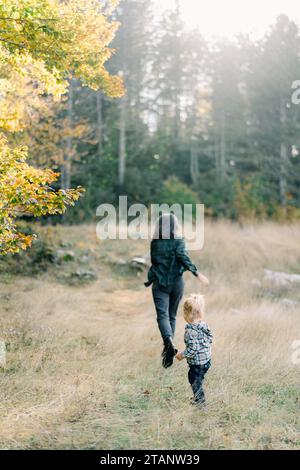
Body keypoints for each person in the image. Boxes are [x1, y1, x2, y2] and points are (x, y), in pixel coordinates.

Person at [144, 213, 209, 368]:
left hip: (159, 284)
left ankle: (168, 342)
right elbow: (182, 257)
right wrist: (197, 273)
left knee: (162, 315)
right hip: (176, 283)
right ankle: (168, 350)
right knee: (171, 315)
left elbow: (155, 262)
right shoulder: (178, 241)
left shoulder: (155, 242)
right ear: (174, 226)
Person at [175, 294, 213, 405]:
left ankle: (200, 402)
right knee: (198, 379)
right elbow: (210, 337)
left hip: (198, 363)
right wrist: (204, 347)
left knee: (194, 380)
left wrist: (182, 355)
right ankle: (197, 398)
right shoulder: (203, 324)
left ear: (186, 314)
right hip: (207, 359)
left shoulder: (190, 331)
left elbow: (193, 349)